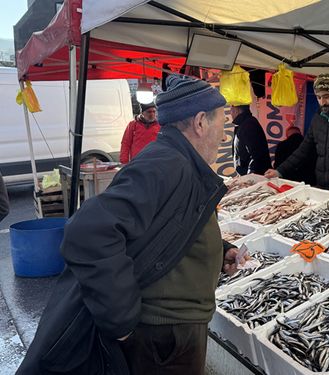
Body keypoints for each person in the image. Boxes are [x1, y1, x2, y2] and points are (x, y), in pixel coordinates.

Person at [18, 74, 246, 375]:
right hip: (164, 339)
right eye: (222, 123)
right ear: (201, 122)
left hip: (176, 333)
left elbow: (167, 228)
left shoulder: (181, 162)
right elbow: (87, 233)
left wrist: (219, 252)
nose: (225, 134)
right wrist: (122, 321)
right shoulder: (166, 164)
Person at [265, 73, 329, 198]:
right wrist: (280, 171)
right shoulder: (318, 117)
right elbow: (303, 150)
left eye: (326, 96)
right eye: (318, 97)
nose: (322, 102)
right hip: (322, 188)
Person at [231, 105, 271, 175]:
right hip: (248, 174)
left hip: (256, 176)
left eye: (231, 110)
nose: (230, 113)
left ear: (236, 110)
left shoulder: (249, 124)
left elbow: (257, 153)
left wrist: (250, 176)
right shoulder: (243, 124)